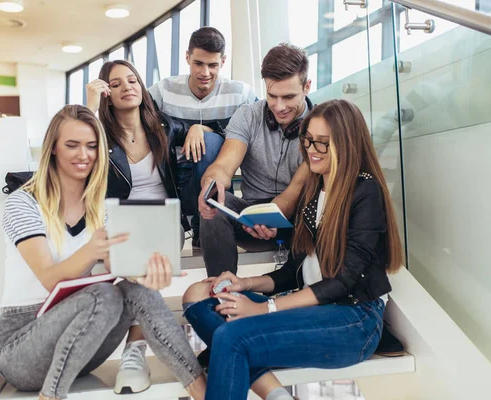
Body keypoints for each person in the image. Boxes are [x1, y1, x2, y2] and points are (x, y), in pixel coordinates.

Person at [183, 99, 404, 400]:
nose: (312, 150)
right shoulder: (315, 190)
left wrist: (262, 308)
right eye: (308, 140)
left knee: (232, 337)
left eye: (323, 143)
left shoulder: (364, 192)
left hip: (353, 320)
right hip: (311, 307)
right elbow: (292, 273)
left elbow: (342, 283)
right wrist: (245, 284)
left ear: (347, 144)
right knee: (197, 294)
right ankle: (278, 395)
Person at [0, 105, 206, 400]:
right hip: (22, 347)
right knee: (104, 295)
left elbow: (119, 266)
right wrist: (92, 249)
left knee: (136, 289)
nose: (84, 155)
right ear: (53, 148)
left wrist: (148, 276)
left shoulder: (103, 209)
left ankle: (203, 391)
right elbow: (49, 278)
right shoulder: (23, 203)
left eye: (92, 146)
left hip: (82, 346)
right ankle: (50, 397)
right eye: (72, 145)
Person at [86, 59, 197, 393]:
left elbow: (211, 129)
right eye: (115, 84)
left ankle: (134, 352)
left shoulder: (162, 126)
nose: (127, 87)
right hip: (117, 220)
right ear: (106, 93)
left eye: (132, 80)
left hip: (163, 220)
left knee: (146, 260)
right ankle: (137, 348)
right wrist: (90, 109)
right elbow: (73, 144)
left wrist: (197, 129)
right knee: (135, 266)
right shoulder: (99, 134)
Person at [197, 43, 312, 277]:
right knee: (217, 203)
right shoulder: (247, 115)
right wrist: (211, 185)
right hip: (250, 219)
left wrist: (269, 216)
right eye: (272, 96)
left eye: (288, 97)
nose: (279, 107)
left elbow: (293, 194)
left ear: (307, 87)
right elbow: (223, 166)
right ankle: (223, 291)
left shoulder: (320, 124)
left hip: (299, 221)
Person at [148, 26, 257, 246]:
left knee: (209, 141)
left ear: (223, 62)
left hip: (215, 173)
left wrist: (204, 129)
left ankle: (202, 222)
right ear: (187, 57)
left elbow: (258, 133)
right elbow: (139, 124)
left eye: (212, 65)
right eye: (198, 63)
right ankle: (192, 220)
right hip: (174, 176)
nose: (205, 72)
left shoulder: (240, 94)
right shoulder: (164, 91)